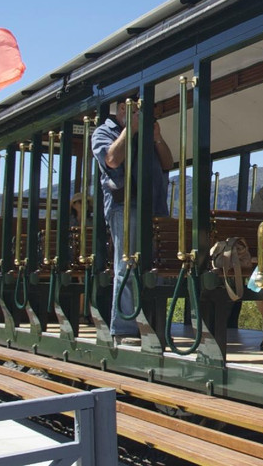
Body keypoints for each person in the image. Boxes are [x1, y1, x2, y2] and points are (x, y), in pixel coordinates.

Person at [91, 99, 173, 345]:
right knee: (127, 266)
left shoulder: (148, 134)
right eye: (136, 109)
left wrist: (157, 138)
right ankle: (124, 329)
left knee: (156, 268)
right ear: (123, 109)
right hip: (126, 207)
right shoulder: (104, 132)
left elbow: (168, 163)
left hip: (156, 206)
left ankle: (154, 326)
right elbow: (111, 160)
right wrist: (130, 129)